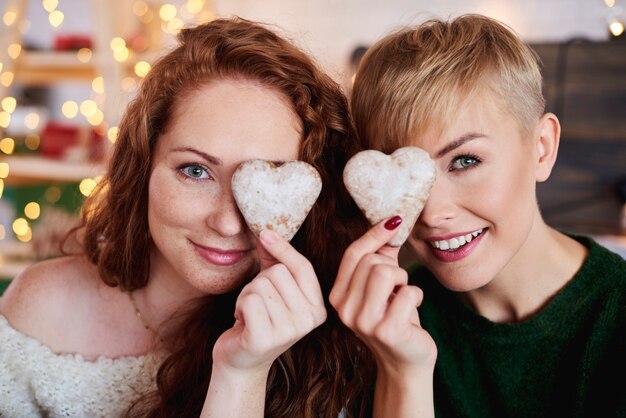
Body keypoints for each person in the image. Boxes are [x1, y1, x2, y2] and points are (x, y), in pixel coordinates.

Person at [0, 17, 370, 418]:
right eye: (196, 171)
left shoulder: (338, 345)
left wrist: (242, 373)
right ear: (143, 165)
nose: (228, 224)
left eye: (264, 181)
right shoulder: (40, 307)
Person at [330, 14, 626, 418]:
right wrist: (402, 372)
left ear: (541, 148)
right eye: (406, 175)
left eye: (464, 161)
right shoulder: (378, 322)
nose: (432, 213)